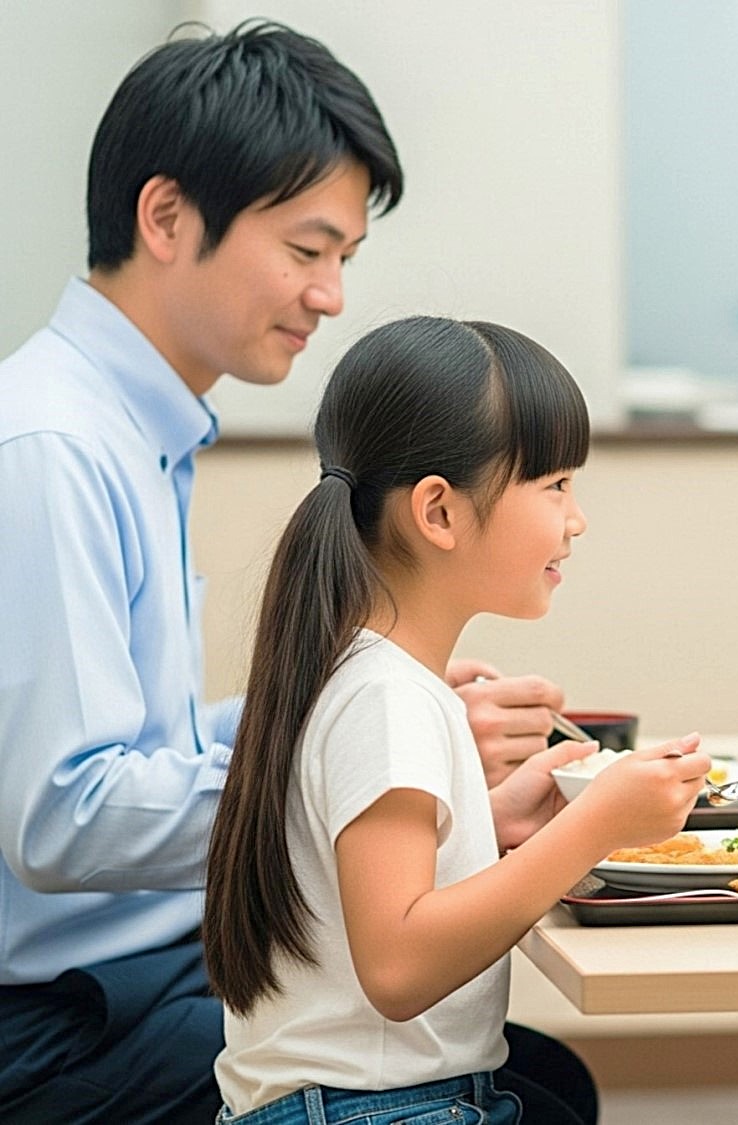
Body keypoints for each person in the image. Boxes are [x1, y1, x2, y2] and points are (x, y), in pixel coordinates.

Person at [0, 21, 590, 1123]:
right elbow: (63, 817)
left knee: (534, 1078)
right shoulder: (51, 448)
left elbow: (145, 747)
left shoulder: (137, 432)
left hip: (139, 962)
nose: (329, 295)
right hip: (57, 1016)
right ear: (166, 217)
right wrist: (366, 775)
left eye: (345, 261)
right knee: (523, 1090)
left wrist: (366, 724)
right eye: (306, 250)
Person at [204, 315, 713, 1124]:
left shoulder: (365, 672)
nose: (575, 519)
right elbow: (399, 966)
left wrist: (498, 821)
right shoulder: (387, 697)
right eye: (554, 486)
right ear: (438, 513)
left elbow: (374, 891)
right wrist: (590, 830)